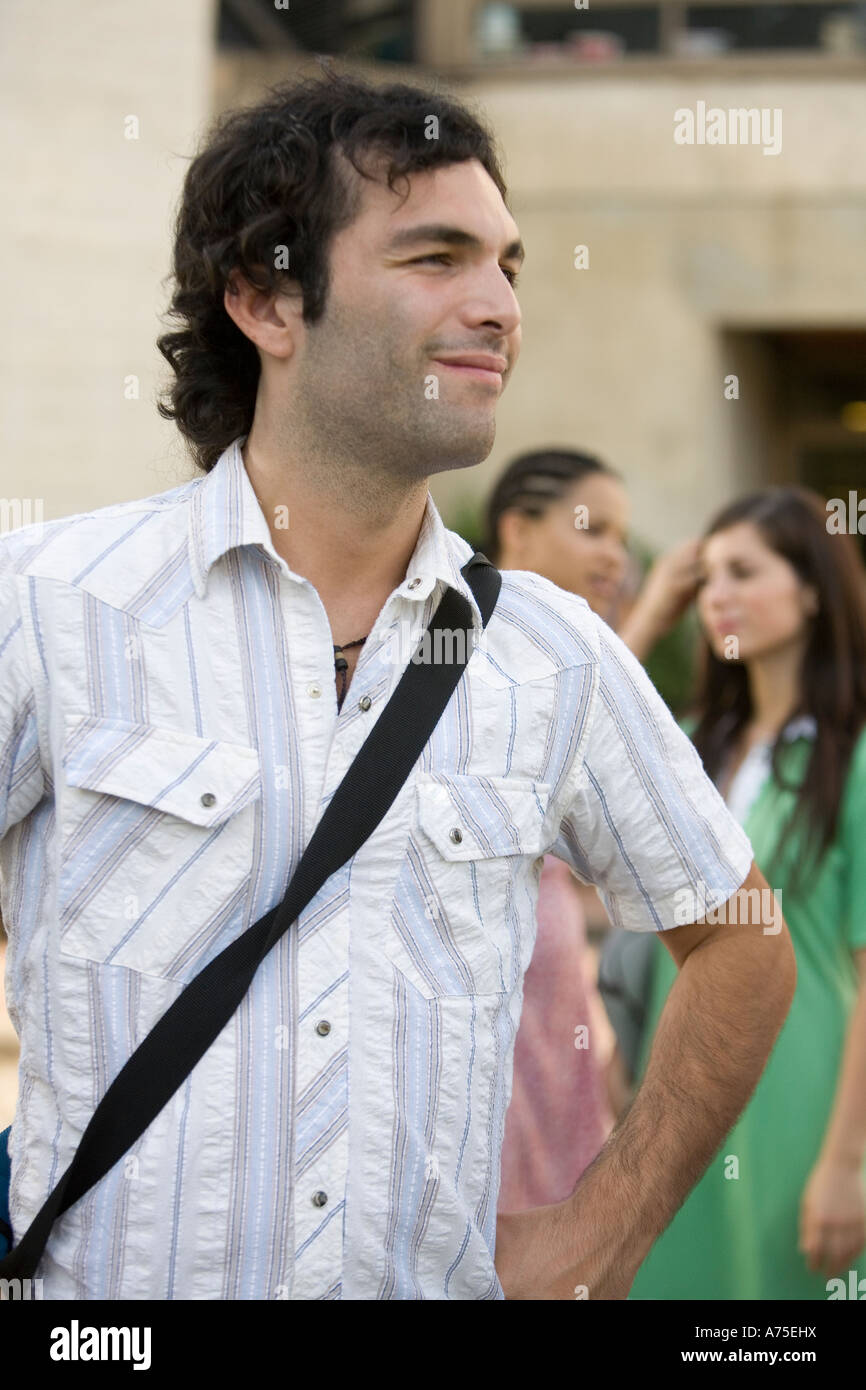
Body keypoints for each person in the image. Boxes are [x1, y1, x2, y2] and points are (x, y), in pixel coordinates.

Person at [0, 70, 794, 1301]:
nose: (496, 308)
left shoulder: (552, 650)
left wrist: (603, 1232)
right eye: (435, 257)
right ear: (265, 297)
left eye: (508, 267)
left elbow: (741, 943)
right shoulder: (51, 603)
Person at [629, 486, 866, 1299]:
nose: (717, 596)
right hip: (684, 1096)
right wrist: (652, 614)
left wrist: (849, 1161)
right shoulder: (698, 747)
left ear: (810, 589)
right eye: (706, 578)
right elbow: (552, 775)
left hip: (809, 1094)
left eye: (744, 571)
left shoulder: (856, 757)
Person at [486, 447, 702, 1210]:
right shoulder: (475, 641)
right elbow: (569, 726)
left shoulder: (570, 649)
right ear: (518, 529)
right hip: (493, 1004)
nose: (617, 554)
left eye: (623, 536)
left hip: (553, 998)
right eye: (594, 529)